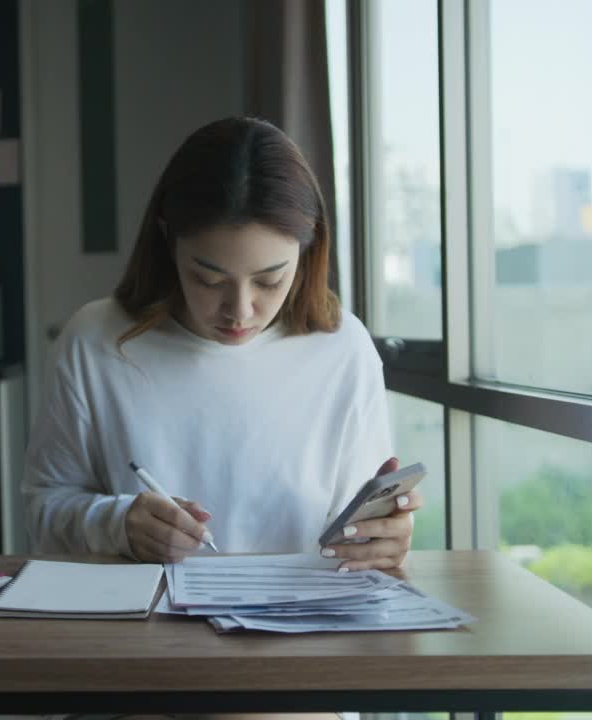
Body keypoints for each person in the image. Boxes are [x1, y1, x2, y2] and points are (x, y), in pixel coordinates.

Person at [23, 117, 422, 570]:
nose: (240, 311)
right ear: (167, 242)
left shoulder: (343, 348)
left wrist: (382, 538)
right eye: (209, 279)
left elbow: (358, 526)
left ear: (308, 254)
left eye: (270, 281)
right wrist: (117, 524)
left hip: (302, 625)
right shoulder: (96, 341)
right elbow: (43, 509)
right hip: (144, 626)